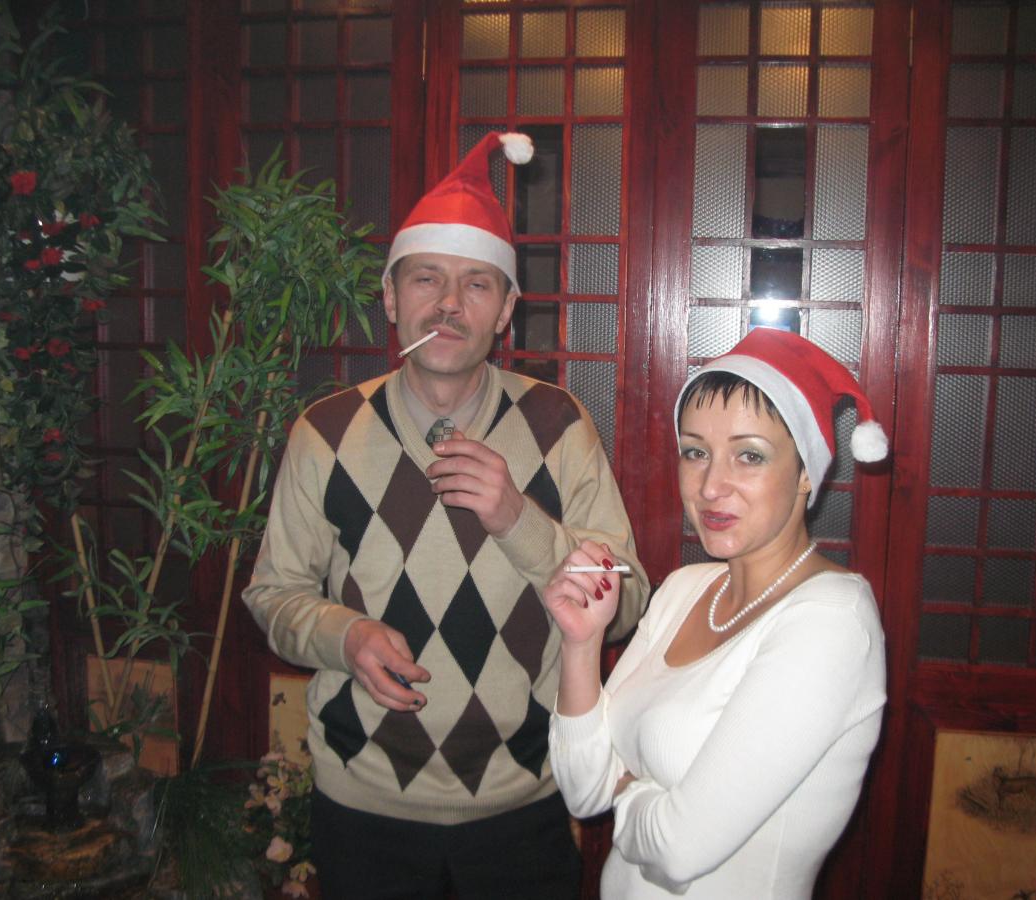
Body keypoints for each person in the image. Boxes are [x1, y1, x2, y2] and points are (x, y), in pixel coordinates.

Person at [242, 131, 648, 900]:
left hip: (523, 802)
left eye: (477, 284)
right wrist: (344, 634)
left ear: (506, 311)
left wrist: (519, 520)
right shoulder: (324, 433)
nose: (449, 304)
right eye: (426, 278)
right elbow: (272, 594)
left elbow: (626, 600)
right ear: (391, 297)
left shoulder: (559, 426)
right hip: (362, 804)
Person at [544, 326, 889, 898]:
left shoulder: (831, 620)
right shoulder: (684, 590)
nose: (710, 486)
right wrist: (581, 643)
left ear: (807, 472)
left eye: (749, 456)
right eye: (695, 452)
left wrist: (625, 790)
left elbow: (679, 849)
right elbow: (583, 791)